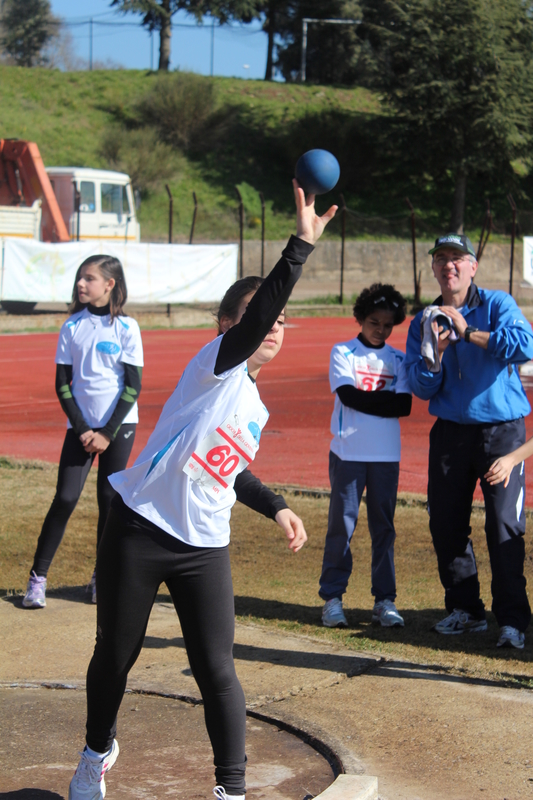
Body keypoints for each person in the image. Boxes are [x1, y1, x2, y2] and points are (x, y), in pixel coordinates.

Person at [67, 182, 337, 800]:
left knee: (218, 670)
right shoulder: (214, 366)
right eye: (261, 317)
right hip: (139, 530)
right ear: (225, 327)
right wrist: (300, 246)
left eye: (281, 322)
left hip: (204, 547)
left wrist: (277, 505)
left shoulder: (255, 408)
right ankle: (95, 753)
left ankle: (231, 790)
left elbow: (224, 469)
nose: (274, 327)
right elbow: (258, 315)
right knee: (115, 656)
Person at [405, 232, 533, 649]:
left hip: (501, 432)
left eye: (457, 259)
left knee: (503, 526)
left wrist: (469, 332)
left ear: (472, 266)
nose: (449, 266)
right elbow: (421, 387)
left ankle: (512, 620)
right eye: (441, 259)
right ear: (434, 269)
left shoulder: (497, 305)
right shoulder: (425, 320)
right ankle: (466, 610)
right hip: (450, 434)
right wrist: (437, 355)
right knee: (445, 523)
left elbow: (525, 344)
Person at [22, 255, 144, 609]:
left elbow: (133, 387)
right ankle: (37, 579)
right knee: (65, 499)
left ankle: (100, 578)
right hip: (79, 429)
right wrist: (82, 429)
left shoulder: (127, 328)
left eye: (89, 278)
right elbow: (63, 384)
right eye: (80, 277)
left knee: (109, 503)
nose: (81, 283)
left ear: (110, 284)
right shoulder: (71, 326)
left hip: (118, 429)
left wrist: (105, 432)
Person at [319, 283, 412, 629]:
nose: (380, 330)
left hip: (386, 455)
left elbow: (404, 406)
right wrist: (383, 403)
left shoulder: (400, 359)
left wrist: (371, 401)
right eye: (374, 322)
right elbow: (348, 397)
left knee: (383, 528)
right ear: (360, 318)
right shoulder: (343, 352)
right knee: (341, 526)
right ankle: (332, 597)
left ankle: (384, 601)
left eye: (388, 324)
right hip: (349, 452)